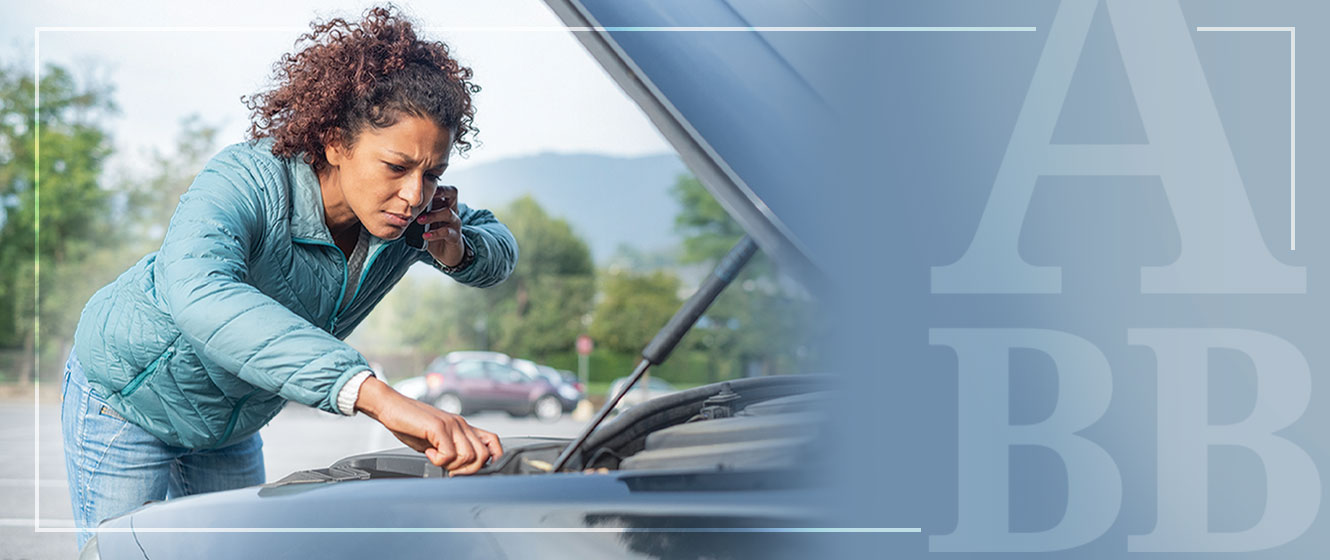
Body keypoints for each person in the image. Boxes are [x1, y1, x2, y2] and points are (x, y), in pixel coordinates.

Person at [60, 6, 515, 549]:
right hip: (129, 399)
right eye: (396, 167)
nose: (415, 194)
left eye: (432, 173)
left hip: (230, 427)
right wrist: (375, 396)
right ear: (334, 143)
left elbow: (499, 243)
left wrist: (460, 250)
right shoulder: (244, 179)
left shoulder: (414, 218)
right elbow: (202, 293)